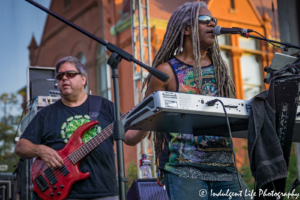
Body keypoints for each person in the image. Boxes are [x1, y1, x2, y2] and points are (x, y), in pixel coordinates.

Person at [125, 2, 251, 200]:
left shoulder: (221, 68)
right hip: (184, 172)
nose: (211, 24)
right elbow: (140, 128)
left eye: (213, 20)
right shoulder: (166, 72)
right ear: (186, 29)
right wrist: (125, 130)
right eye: (203, 20)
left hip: (226, 171)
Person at [15, 56, 118, 200]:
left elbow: (131, 137)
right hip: (61, 192)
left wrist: (144, 124)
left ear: (83, 79)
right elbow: (20, 147)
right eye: (60, 76)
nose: (64, 78)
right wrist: (40, 150)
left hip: (104, 192)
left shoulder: (105, 106)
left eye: (70, 74)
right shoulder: (46, 114)